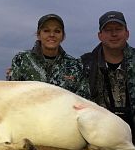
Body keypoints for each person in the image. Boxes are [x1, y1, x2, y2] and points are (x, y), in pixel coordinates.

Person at [7, 14, 90, 98]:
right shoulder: (21, 60)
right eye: (46, 31)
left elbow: (83, 100)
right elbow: (11, 95)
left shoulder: (75, 65)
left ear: (63, 36)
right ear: (38, 35)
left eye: (57, 31)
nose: (52, 34)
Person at [81, 11, 135, 139]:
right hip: (100, 138)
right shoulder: (84, 65)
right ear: (100, 35)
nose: (114, 34)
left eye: (118, 29)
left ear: (127, 33)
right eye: (108, 30)